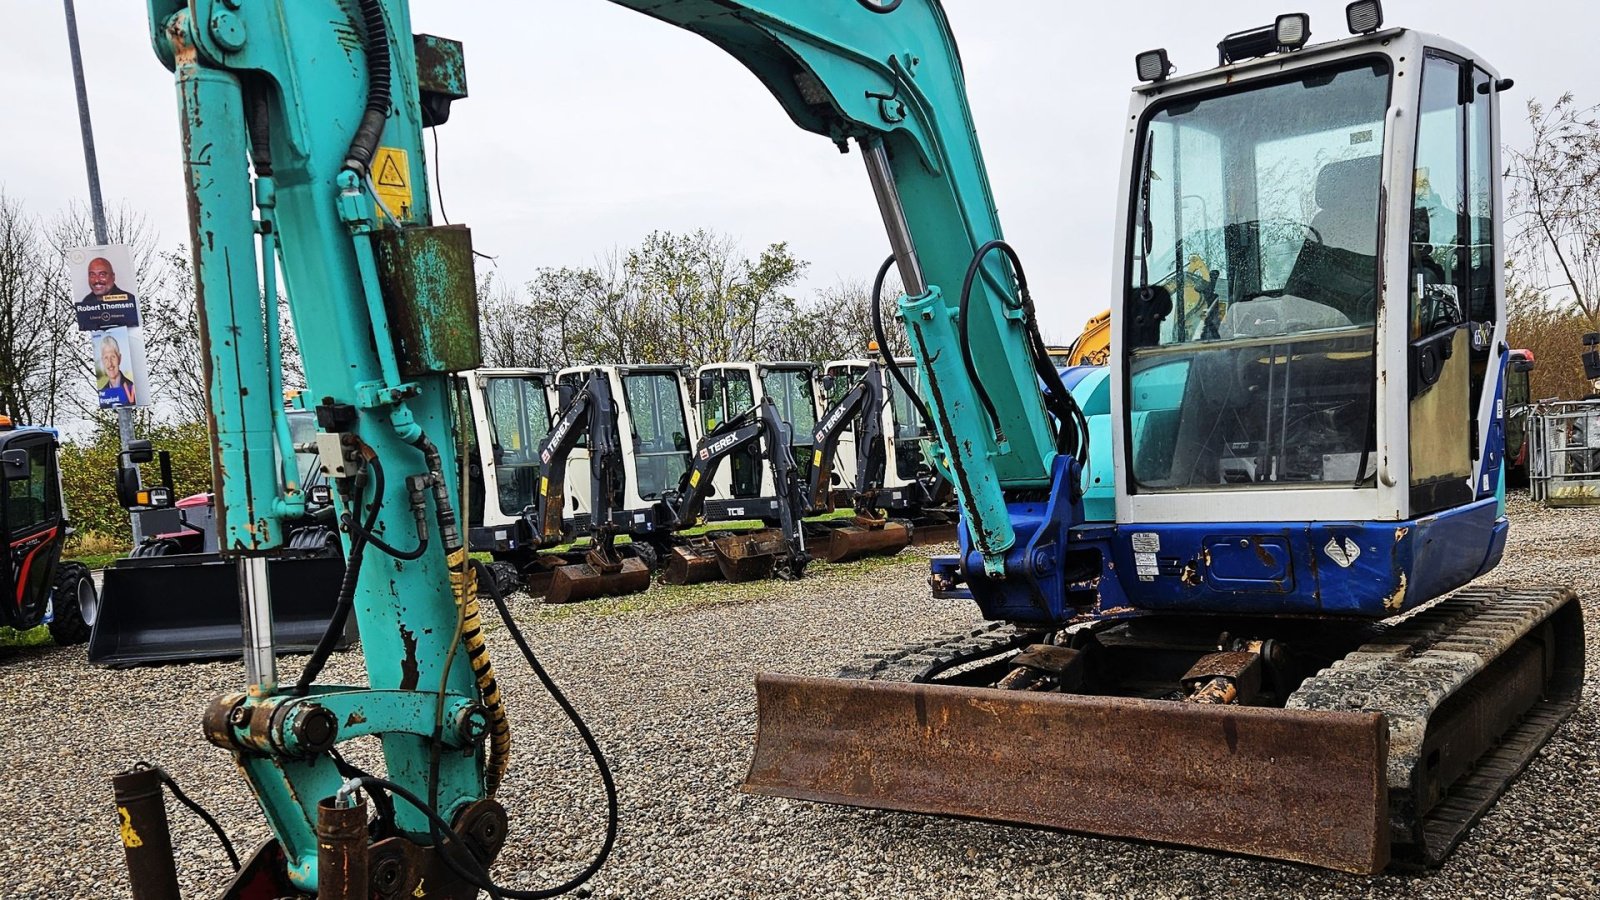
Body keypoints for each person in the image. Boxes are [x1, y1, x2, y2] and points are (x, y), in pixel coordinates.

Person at [75, 257, 141, 330]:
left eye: (102, 274)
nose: (96, 280)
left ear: (113, 277)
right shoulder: (86, 303)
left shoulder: (128, 300)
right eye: (92, 275)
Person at [97, 335, 137, 408]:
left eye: (113, 357)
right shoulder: (103, 393)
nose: (110, 363)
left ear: (119, 358)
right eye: (106, 358)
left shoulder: (131, 387)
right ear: (102, 361)